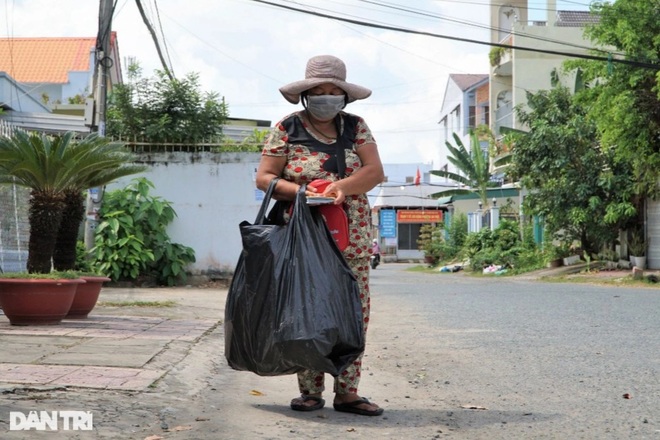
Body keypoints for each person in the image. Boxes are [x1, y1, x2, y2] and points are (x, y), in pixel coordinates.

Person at [255, 54, 385, 416]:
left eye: (333, 91)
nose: (326, 97)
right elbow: (265, 177)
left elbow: (374, 172)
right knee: (307, 311)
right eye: (318, 91)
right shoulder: (287, 129)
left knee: (353, 314)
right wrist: (299, 192)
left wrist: (338, 187)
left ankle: (348, 392)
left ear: (345, 96)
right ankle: (310, 391)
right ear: (305, 94)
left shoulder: (356, 127)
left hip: (352, 236)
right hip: (302, 234)